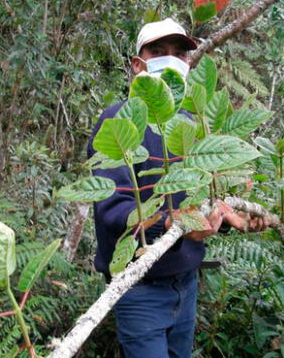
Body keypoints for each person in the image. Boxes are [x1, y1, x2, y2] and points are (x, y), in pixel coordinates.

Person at [86, 18, 269, 358]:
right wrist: (174, 224)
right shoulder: (117, 121)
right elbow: (111, 210)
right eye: (158, 52)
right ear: (138, 64)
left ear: (189, 63)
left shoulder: (190, 124)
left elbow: (195, 200)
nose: (170, 59)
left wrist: (231, 221)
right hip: (139, 288)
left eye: (179, 53)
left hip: (186, 282)